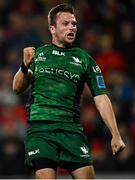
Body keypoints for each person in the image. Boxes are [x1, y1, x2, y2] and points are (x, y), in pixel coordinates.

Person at [12, 3, 125, 179]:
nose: (71, 27)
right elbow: (17, 88)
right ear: (52, 28)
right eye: (65, 24)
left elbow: (101, 98)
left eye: (74, 24)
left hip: (70, 130)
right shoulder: (38, 55)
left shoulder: (84, 59)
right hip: (41, 129)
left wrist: (115, 135)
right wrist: (24, 65)